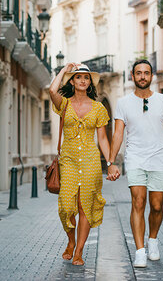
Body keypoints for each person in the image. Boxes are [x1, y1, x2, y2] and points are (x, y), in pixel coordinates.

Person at [106, 59, 163, 268]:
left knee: (157, 206)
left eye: (146, 73)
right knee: (138, 202)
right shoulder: (123, 103)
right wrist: (111, 161)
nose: (143, 76)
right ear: (133, 76)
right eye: (139, 73)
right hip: (135, 158)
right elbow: (118, 134)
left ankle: (153, 240)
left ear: (151, 76)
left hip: (159, 158)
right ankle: (140, 250)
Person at [49, 63, 113, 266]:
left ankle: (79, 250)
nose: (83, 80)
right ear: (72, 81)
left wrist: (110, 162)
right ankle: (70, 241)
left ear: (90, 83)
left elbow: (102, 139)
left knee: (85, 205)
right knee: (66, 206)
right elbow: (52, 90)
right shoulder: (64, 104)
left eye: (86, 77)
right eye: (78, 77)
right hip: (67, 160)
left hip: (91, 161)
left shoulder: (98, 108)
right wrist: (64, 70)